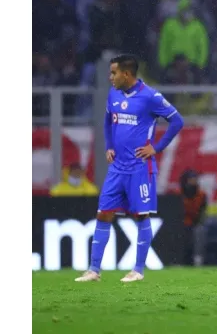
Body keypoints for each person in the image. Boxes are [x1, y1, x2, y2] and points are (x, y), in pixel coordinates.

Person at [75, 54, 184, 283]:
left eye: (113, 72)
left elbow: (177, 121)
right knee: (103, 213)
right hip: (117, 167)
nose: (110, 77)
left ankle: (138, 270)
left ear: (126, 74)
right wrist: (109, 146)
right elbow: (107, 121)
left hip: (139, 168)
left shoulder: (150, 97)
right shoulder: (113, 93)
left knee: (141, 216)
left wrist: (156, 148)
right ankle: (94, 270)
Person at [179, 169, 208, 266]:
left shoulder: (201, 195)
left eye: (195, 179)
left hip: (195, 223)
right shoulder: (177, 194)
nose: (194, 181)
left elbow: (202, 213)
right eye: (191, 179)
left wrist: (197, 222)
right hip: (180, 224)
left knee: (199, 231)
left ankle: (198, 259)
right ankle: (178, 259)